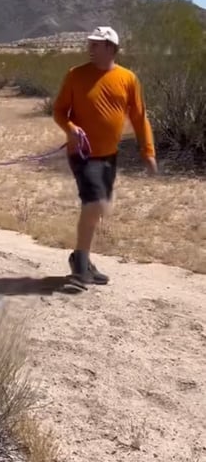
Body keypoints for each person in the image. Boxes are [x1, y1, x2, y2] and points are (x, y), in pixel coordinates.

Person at [52, 25, 157, 286]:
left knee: (99, 209)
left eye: (96, 44)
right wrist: (71, 128)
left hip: (110, 155)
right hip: (82, 154)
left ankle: (83, 258)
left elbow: (140, 118)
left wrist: (148, 151)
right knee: (94, 205)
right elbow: (59, 111)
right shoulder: (75, 75)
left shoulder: (128, 78)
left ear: (111, 48)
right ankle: (79, 268)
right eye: (90, 43)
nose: (90, 47)